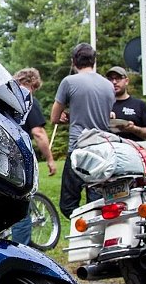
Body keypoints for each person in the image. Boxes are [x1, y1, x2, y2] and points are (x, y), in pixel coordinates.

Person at [49, 43, 115, 218]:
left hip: (78, 147)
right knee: (96, 201)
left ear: (73, 61)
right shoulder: (108, 85)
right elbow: (105, 113)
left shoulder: (69, 82)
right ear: (94, 61)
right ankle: (94, 230)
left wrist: (67, 117)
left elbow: (54, 117)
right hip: (102, 148)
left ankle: (81, 227)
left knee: (68, 204)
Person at [10, 68, 57, 245]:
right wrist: (50, 159)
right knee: (22, 203)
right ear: (33, 84)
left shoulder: (4, 97)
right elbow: (38, 133)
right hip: (18, 157)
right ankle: (21, 251)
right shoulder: (27, 99)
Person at [105, 66, 146, 141]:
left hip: (135, 145)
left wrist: (134, 129)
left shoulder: (139, 104)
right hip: (109, 145)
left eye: (118, 78)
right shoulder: (103, 105)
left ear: (126, 81)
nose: (114, 82)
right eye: (110, 79)